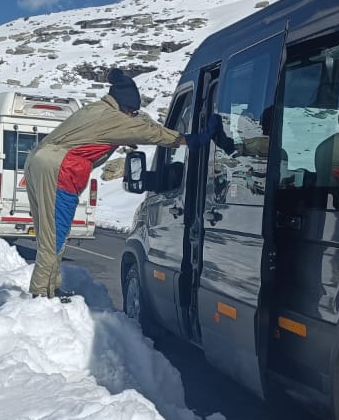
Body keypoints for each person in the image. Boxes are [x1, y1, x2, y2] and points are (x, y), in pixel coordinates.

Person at [24, 68, 212, 300]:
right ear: (125, 106)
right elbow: (148, 132)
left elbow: (139, 121)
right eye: (131, 111)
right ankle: (42, 294)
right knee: (54, 236)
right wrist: (188, 140)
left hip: (40, 161)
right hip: (59, 168)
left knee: (50, 234)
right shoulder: (113, 118)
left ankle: (50, 289)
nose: (132, 115)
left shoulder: (99, 108)